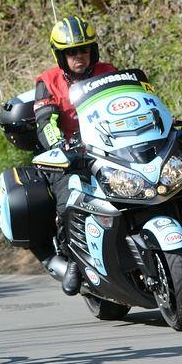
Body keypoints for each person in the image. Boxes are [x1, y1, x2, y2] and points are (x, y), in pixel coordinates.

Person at [32, 15, 117, 296]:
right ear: (61, 55)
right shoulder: (48, 81)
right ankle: (73, 261)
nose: (79, 56)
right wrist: (61, 147)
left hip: (111, 148)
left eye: (83, 50)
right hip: (69, 156)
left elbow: (129, 101)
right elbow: (46, 121)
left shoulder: (109, 71)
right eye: (71, 52)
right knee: (69, 198)